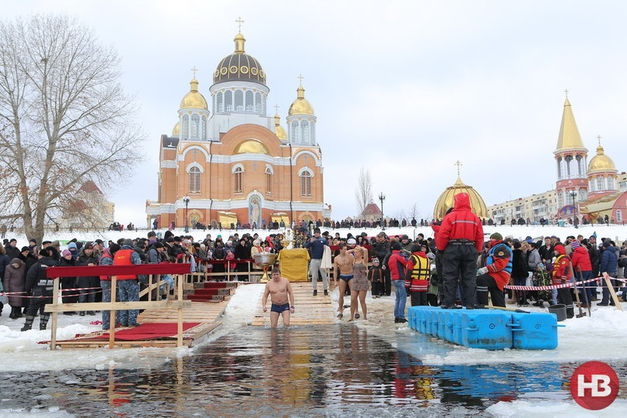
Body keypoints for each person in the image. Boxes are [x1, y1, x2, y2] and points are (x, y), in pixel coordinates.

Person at [435, 192, 484, 309]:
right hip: (470, 248)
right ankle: (470, 303)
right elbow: (480, 236)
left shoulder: (450, 217)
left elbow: (443, 235)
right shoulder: (474, 218)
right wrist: (477, 250)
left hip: (452, 248)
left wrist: (441, 249)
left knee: (450, 277)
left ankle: (449, 303)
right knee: (469, 277)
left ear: (456, 203)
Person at [21, 246, 59, 331]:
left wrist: (27, 289)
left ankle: (28, 325)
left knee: (32, 308)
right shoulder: (55, 264)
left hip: (37, 290)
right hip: (50, 290)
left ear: (41, 256)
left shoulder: (36, 265)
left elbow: (30, 277)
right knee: (46, 308)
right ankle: (43, 325)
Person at [476, 233, 512, 308]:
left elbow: (500, 264)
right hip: (495, 274)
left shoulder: (501, 248)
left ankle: (482, 305)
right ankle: (500, 310)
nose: (490, 240)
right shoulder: (494, 248)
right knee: (496, 293)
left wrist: (486, 269)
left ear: (496, 239)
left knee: (481, 280)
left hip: (500, 274)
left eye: (492, 238)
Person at [113, 239, 142, 327]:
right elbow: (138, 266)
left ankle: (124, 321)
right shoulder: (133, 253)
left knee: (123, 301)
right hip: (131, 280)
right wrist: (142, 279)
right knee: (133, 300)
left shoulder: (117, 254)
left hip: (120, 280)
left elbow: (114, 265)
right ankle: (132, 321)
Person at [76, 242, 99, 316]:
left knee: (92, 295)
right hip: (83, 279)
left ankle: (90, 309)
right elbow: (77, 266)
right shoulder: (80, 257)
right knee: (83, 295)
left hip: (92, 279)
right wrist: (86, 265)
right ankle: (82, 310)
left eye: (91, 249)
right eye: (88, 249)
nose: (89, 251)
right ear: (85, 250)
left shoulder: (95, 257)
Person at [551, 244, 575, 317]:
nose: (554, 252)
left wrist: (563, 279)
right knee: (561, 297)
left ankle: (569, 313)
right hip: (559, 281)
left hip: (562, 281)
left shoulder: (564, 259)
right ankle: (562, 312)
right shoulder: (558, 258)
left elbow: (564, 269)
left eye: (555, 250)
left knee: (566, 297)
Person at [348, 240, 369, 320]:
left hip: (363, 282)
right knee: (353, 299)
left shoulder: (364, 261)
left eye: (357, 253)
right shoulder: (354, 260)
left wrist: (360, 248)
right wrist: (354, 249)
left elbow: (366, 250)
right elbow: (347, 252)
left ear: (360, 253)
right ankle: (351, 316)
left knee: (362, 300)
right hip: (355, 281)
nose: (355, 254)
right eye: (355, 253)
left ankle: (365, 317)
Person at [305, 227, 329, 296]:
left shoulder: (323, 240)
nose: (316, 234)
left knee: (324, 275)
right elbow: (306, 246)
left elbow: (328, 248)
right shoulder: (312, 240)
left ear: (319, 233)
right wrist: (310, 242)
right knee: (314, 275)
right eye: (315, 233)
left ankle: (325, 289)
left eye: (317, 233)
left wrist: (326, 247)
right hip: (314, 259)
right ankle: (314, 289)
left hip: (322, 259)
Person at [388, 241, 408, 323]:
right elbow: (406, 263)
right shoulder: (398, 256)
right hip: (400, 278)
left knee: (398, 298)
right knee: (403, 298)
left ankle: (396, 316)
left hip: (394, 278)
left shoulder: (391, 256)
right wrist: (405, 256)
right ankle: (401, 316)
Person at [333, 243, 355, 319]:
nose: (346, 250)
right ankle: (340, 311)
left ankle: (356, 311)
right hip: (342, 276)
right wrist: (335, 280)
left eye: (346, 249)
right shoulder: (336, 258)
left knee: (353, 294)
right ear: (340, 249)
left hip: (351, 275)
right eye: (344, 249)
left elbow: (355, 266)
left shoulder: (350, 256)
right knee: (341, 294)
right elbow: (335, 270)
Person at [598, 240, 618, 306]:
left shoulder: (606, 252)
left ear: (604, 246)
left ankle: (605, 301)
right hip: (613, 271)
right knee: (612, 287)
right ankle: (613, 301)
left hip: (607, 272)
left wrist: (602, 271)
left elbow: (604, 263)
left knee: (606, 287)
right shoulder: (613, 252)